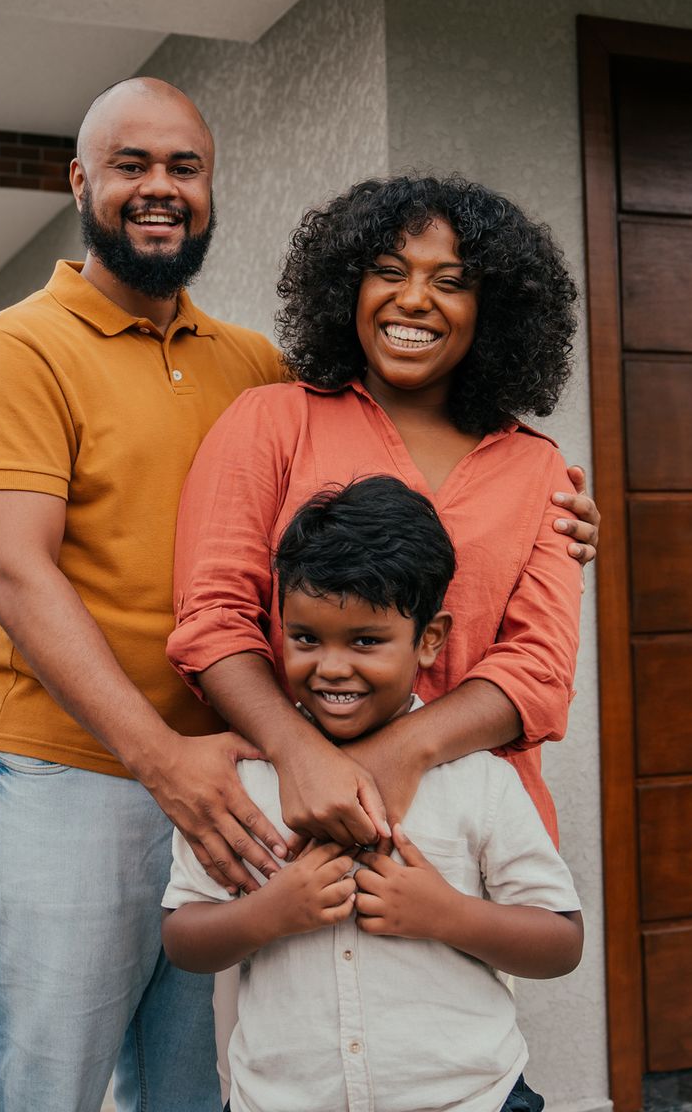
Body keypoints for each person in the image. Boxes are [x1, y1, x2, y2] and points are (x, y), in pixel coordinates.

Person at [0, 79, 600, 1111]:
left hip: (335, 795)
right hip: (132, 766)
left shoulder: (247, 363)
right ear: (80, 180)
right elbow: (56, 583)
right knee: (58, 1069)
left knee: (226, 1074)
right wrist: (256, 758)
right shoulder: (32, 352)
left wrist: (385, 757)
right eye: (132, 164)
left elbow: (536, 661)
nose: (414, 299)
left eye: (184, 167)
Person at [170, 175, 583, 850]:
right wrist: (301, 756)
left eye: (450, 282)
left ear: (494, 311)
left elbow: (539, 669)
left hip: (478, 836)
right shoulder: (272, 422)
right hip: (295, 818)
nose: (413, 299)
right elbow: (214, 620)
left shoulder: (539, 469)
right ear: (347, 290)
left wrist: (402, 751)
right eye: (388, 273)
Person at [163, 476, 583, 1112]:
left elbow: (561, 941)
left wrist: (445, 914)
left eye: (366, 641)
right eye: (305, 638)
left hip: (471, 1099)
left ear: (430, 639)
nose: (332, 667)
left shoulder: (480, 779)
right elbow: (182, 938)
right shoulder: (246, 781)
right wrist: (270, 913)